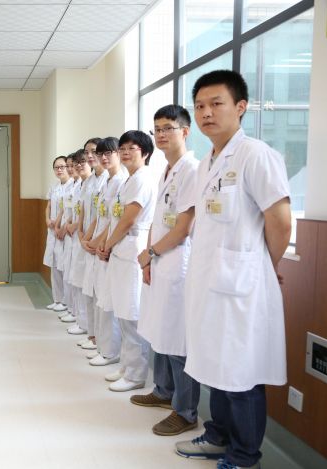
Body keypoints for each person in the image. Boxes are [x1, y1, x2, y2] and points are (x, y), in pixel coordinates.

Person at [175, 70, 292, 469]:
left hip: (242, 285)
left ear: (241, 107)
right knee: (215, 365)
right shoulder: (208, 162)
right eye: (200, 106)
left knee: (241, 374)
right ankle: (218, 436)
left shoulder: (255, 155)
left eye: (216, 104)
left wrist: (263, 267)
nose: (206, 113)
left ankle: (244, 457)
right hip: (210, 282)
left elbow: (281, 221)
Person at [133, 105, 200, 436]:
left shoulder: (191, 170)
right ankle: (163, 391)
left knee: (177, 340)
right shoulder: (166, 170)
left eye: (167, 128)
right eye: (156, 129)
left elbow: (183, 228)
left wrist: (151, 253)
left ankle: (185, 411)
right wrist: (149, 258)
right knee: (159, 330)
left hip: (177, 265)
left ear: (184, 132)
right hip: (160, 261)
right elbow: (157, 222)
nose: (160, 134)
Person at [99, 130, 157, 392]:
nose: (125, 153)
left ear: (145, 153)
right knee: (122, 312)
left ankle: (135, 374)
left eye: (131, 148)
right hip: (121, 248)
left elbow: (128, 220)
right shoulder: (129, 180)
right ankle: (126, 365)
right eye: (122, 148)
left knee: (132, 315)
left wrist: (108, 244)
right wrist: (109, 244)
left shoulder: (142, 179)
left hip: (132, 246)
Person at [88, 137, 128, 367]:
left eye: (108, 153)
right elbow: (104, 216)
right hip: (104, 246)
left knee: (109, 302)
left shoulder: (122, 182)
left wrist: (103, 243)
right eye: (100, 154)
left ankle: (110, 351)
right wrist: (96, 241)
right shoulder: (107, 182)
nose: (104, 158)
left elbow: (119, 221)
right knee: (101, 299)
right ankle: (103, 347)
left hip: (112, 248)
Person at [79, 137, 107, 349]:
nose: (90, 156)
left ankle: (100, 340)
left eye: (94, 151)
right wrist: (83, 235)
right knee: (88, 290)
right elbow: (83, 211)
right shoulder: (88, 181)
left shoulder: (108, 179)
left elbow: (105, 216)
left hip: (100, 242)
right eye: (87, 152)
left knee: (100, 294)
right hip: (88, 240)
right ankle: (92, 335)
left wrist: (91, 239)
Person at [67, 149, 94, 335]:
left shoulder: (96, 183)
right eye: (76, 163)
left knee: (86, 286)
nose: (78, 165)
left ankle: (87, 327)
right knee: (77, 280)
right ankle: (81, 321)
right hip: (79, 237)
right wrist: (76, 229)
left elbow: (97, 216)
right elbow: (78, 211)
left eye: (81, 161)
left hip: (89, 240)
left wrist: (82, 233)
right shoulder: (82, 185)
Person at [44, 156, 70, 313]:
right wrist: (47, 219)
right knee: (54, 265)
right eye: (56, 167)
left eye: (62, 166)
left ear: (68, 167)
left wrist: (59, 224)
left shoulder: (72, 185)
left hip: (63, 232)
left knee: (63, 267)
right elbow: (48, 206)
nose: (59, 170)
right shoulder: (54, 187)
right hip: (52, 230)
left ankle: (66, 302)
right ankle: (57, 299)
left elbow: (67, 209)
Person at [58, 154, 80, 324]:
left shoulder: (81, 185)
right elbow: (67, 211)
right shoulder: (74, 186)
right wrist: (65, 225)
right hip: (71, 233)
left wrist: (68, 226)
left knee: (76, 276)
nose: (71, 168)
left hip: (78, 235)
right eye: (70, 165)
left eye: (73, 165)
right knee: (69, 274)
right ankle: (72, 309)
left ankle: (77, 314)